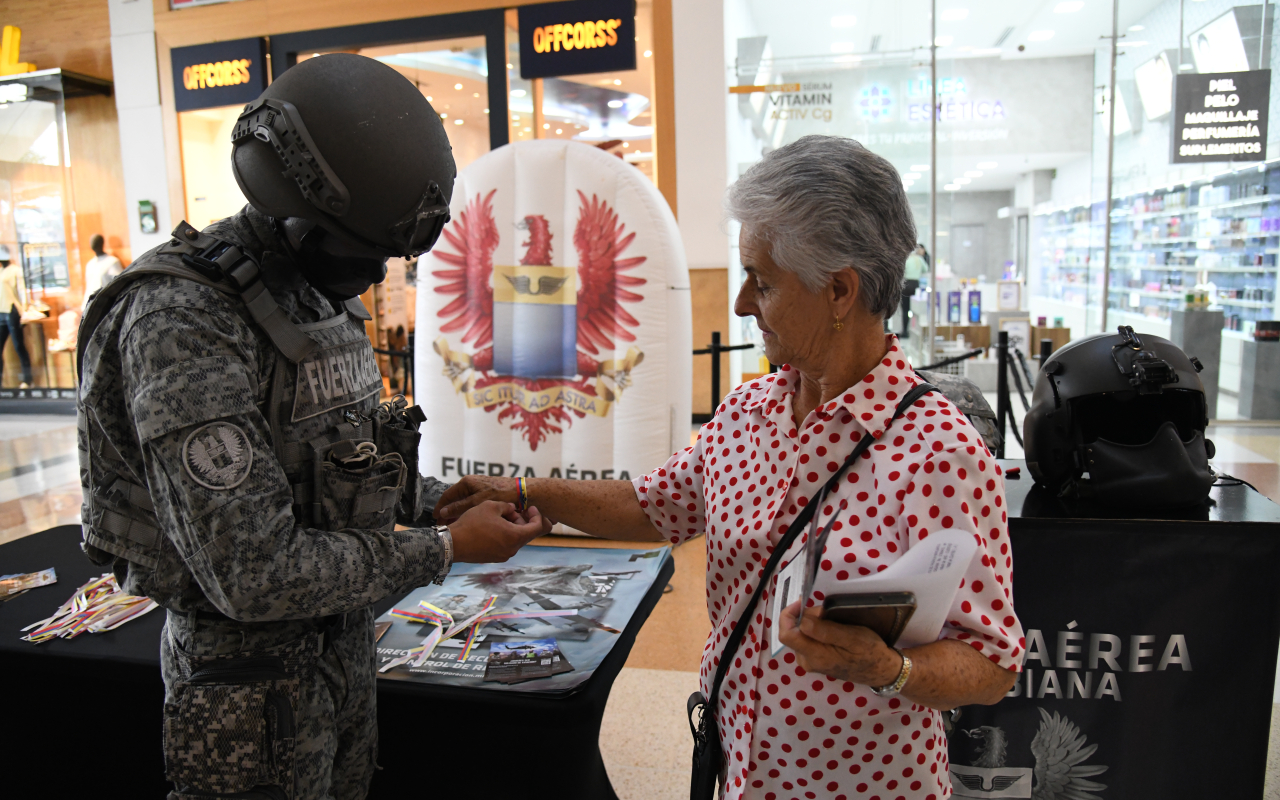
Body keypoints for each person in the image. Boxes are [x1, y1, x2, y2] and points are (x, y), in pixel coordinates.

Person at [436, 135, 1023, 800]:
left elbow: (991, 662)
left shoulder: (938, 452)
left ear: (839, 290)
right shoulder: (748, 411)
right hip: (735, 770)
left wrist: (888, 669)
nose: (741, 304)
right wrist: (524, 488)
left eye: (762, 282)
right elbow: (651, 506)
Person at [77, 54, 549, 800]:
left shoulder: (307, 294)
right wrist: (446, 548)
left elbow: (333, 469)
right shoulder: (185, 322)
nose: (371, 278)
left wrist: (433, 501)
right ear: (295, 215)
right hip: (246, 688)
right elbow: (253, 575)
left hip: (340, 652)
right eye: (361, 255)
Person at [0, 246, 32, 388]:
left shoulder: (15, 270)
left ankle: (27, 379)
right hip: (1, 311)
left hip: (13, 310)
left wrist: (24, 311)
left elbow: (21, 290)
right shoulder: (1, 271)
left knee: (18, 345)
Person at [82, 233, 123, 309]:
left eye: (95, 241)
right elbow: (89, 287)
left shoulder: (112, 261)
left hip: (105, 306)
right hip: (90, 305)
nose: (93, 244)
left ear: (101, 243)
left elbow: (119, 284)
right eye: (91, 241)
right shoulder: (90, 264)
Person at [901, 243, 928, 336]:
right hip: (916, 285)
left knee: (905, 309)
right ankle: (915, 330)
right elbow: (926, 269)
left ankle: (905, 331)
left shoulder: (906, 259)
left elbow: (902, 271)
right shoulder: (919, 259)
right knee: (916, 309)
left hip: (906, 284)